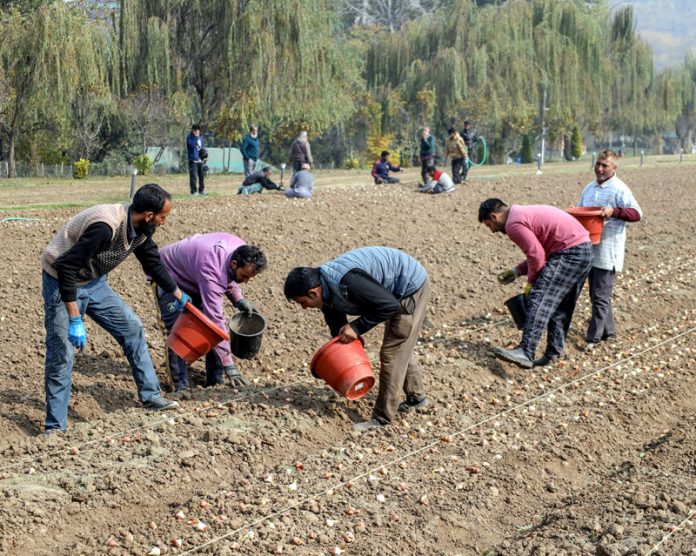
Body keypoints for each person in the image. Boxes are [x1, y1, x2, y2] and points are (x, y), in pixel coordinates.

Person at [40, 184, 186, 433]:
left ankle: (151, 397)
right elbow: (66, 267)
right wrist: (75, 318)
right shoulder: (104, 227)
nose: (164, 222)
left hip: (95, 283)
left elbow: (153, 262)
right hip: (61, 280)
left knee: (132, 329)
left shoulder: (140, 229)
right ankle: (55, 428)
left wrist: (179, 294)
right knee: (62, 353)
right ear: (149, 215)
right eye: (163, 217)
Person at [284, 247, 431, 432]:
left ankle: (383, 418)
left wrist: (357, 327)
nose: (304, 308)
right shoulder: (325, 287)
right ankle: (417, 398)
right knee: (401, 345)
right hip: (389, 291)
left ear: (313, 292)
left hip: (410, 286)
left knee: (393, 352)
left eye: (302, 302)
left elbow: (389, 306)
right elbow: (336, 323)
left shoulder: (349, 281)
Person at [479, 198, 593, 369]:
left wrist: (531, 284)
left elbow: (536, 256)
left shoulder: (513, 224)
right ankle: (553, 353)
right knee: (561, 305)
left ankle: (526, 351)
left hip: (569, 253)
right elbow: (543, 251)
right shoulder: (521, 213)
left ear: (494, 216)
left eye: (489, 225)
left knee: (539, 298)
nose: (493, 231)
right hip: (584, 250)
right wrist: (517, 271)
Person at [156, 234, 267, 394]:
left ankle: (215, 381)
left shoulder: (241, 251)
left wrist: (238, 299)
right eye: (244, 276)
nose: (246, 281)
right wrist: (229, 365)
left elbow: (227, 276)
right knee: (178, 331)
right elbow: (215, 320)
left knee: (209, 331)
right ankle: (180, 387)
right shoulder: (212, 271)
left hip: (197, 275)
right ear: (234, 264)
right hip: (169, 275)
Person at [578, 149, 642, 349]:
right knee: (597, 294)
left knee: (600, 294)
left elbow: (636, 213)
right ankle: (609, 332)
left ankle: (593, 338)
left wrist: (614, 211)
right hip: (590, 247)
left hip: (608, 249)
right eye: (598, 164)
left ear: (614, 167)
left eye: (604, 165)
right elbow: (580, 209)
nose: (599, 168)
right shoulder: (589, 188)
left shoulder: (619, 189)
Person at [186, 124, 206, 196]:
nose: (198, 132)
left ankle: (201, 190)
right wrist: (196, 138)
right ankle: (194, 191)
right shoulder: (190, 137)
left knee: (201, 176)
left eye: (199, 130)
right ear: (193, 130)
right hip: (193, 160)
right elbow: (191, 145)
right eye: (197, 130)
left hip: (200, 159)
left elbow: (202, 146)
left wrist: (205, 155)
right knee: (193, 176)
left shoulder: (201, 137)